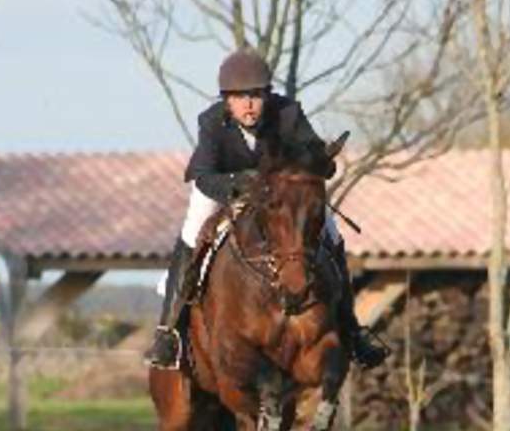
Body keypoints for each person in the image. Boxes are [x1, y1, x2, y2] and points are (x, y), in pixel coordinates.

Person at [144, 47, 388, 370]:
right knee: (192, 231)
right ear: (227, 101)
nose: (248, 105)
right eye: (240, 98)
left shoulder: (288, 114)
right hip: (223, 187)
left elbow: (316, 160)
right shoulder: (211, 123)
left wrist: (320, 160)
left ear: (267, 97)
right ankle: (169, 331)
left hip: (280, 194)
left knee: (331, 232)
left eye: (256, 97)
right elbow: (203, 175)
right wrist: (238, 186)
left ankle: (353, 330)